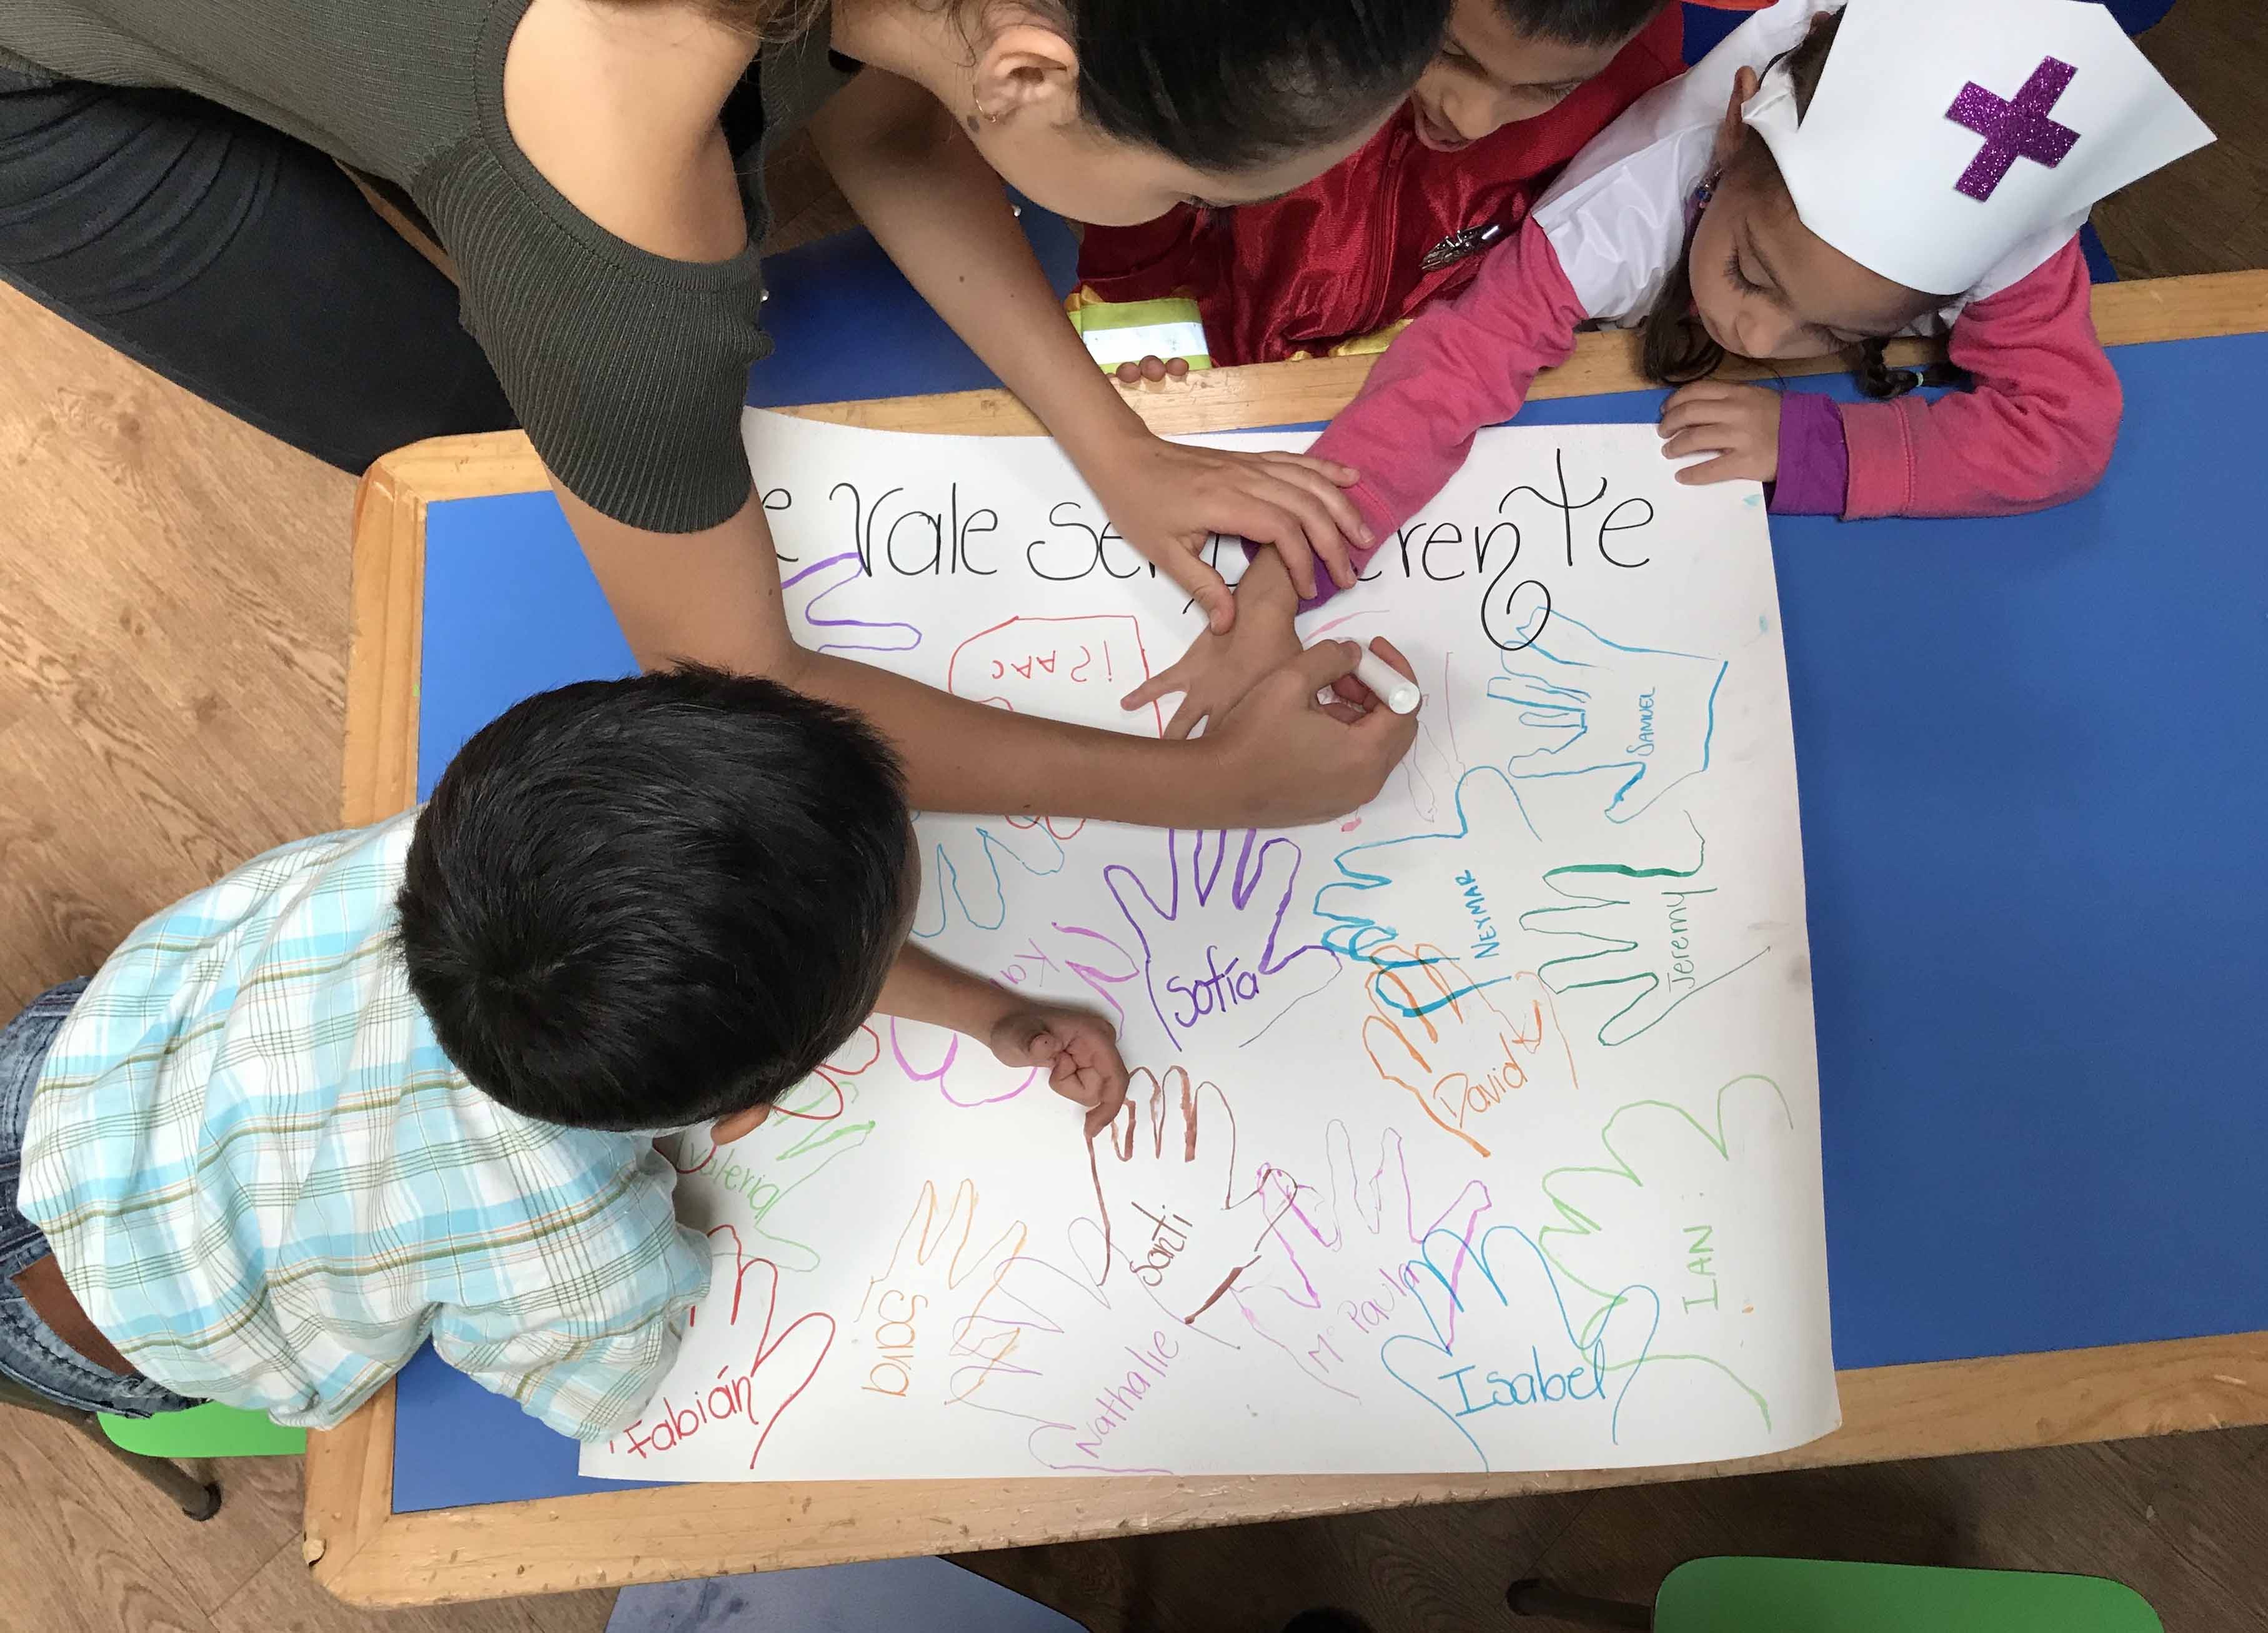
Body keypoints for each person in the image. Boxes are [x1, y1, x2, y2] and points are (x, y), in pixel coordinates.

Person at [0, 0, 1441, 828]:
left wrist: (1112, 444)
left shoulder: (967, 27)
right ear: (1031, 69)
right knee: (470, 438)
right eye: (1185, 189)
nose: (1181, 216)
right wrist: (1209, 792)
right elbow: (739, 688)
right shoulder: (614, 208)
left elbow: (887, 105)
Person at [0, 667, 1129, 1438]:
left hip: (79, 1066)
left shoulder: (477, 844)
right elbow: (603, 1393)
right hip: (100, 1317)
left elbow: (740, 927)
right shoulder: (564, 1235)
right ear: (736, 1116)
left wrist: (991, 1011)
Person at [1121, 0, 2213, 735]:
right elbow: (1457, 365)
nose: (1757, 334)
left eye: (1834, 335)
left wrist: (1823, 441)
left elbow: (2063, 428)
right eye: (1751, 269)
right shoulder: (1640, 191)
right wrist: (1283, 577)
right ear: (1734, 140)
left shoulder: (2003, 228)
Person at [1074, 0, 1686, 371]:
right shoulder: (1261, 31)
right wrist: (1139, 321)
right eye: (1450, 53)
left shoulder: (1640, 79)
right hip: (1202, 341)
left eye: (1546, 90)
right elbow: (1146, 183)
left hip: (1417, 375)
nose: (1473, 117)